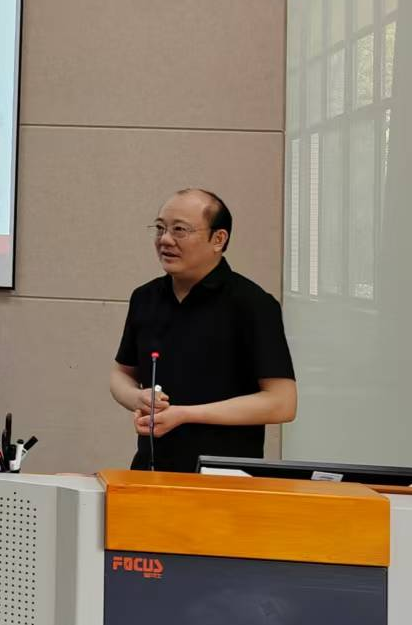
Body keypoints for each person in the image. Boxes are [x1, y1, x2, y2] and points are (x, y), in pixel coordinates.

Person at [109, 188, 297, 473]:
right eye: (160, 228)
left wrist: (185, 415)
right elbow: (121, 374)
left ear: (218, 239)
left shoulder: (253, 304)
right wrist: (137, 398)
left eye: (180, 230)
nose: (165, 239)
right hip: (151, 470)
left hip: (223, 476)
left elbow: (282, 402)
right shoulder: (145, 298)